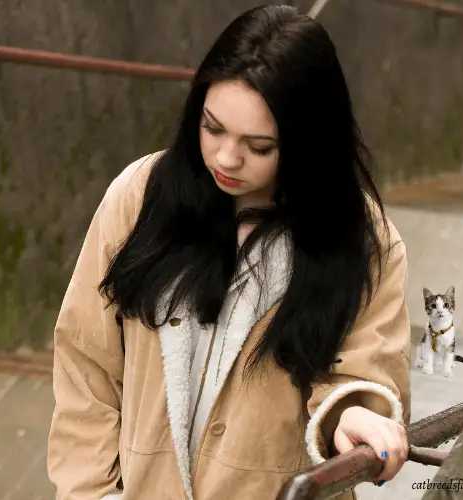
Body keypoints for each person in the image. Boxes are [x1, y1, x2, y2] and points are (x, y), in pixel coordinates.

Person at [46, 4, 412, 500]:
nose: (225, 158)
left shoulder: (363, 238)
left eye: (259, 146)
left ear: (308, 142)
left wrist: (355, 413)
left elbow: (366, 367)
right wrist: (91, 493)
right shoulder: (141, 197)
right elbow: (86, 363)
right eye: (212, 128)